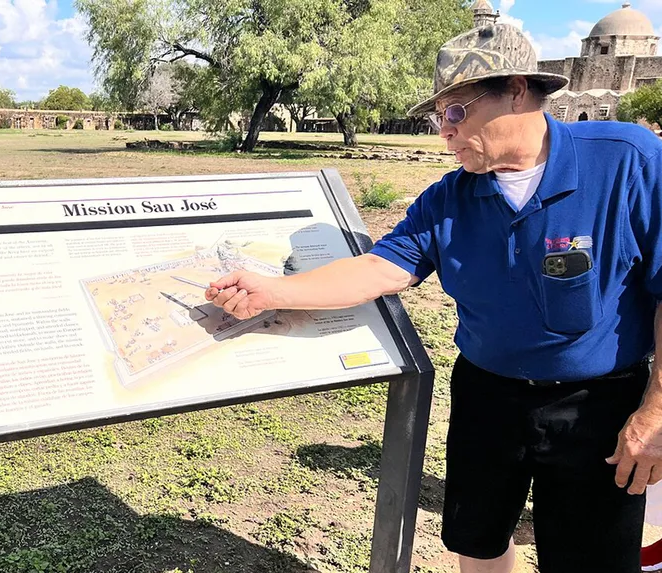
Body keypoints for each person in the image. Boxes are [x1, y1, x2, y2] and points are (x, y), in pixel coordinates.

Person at [205, 22, 662, 573]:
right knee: (481, 538)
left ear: (517, 89)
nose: (442, 133)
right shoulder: (449, 198)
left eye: (454, 112)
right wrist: (271, 290)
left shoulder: (624, 160)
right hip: (488, 395)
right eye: (436, 117)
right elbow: (379, 268)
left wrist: (656, 413)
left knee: (590, 557)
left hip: (602, 405)